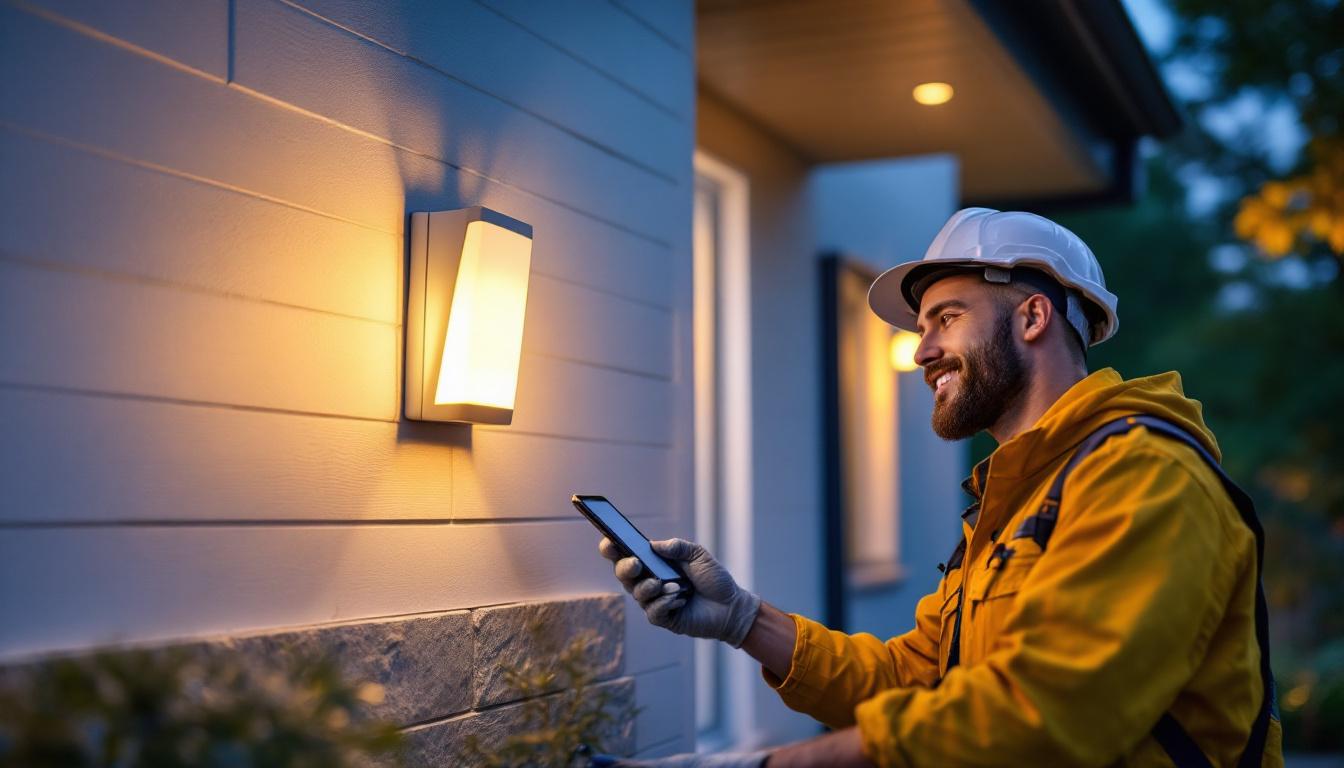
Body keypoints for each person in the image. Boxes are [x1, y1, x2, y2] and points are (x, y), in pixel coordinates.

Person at [591, 208, 1282, 768]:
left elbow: (1049, 715)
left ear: (1033, 317)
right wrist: (745, 620)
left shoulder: (1145, 476)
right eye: (922, 327)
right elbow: (913, 679)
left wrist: (771, 766)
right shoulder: (1016, 499)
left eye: (945, 317)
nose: (920, 351)